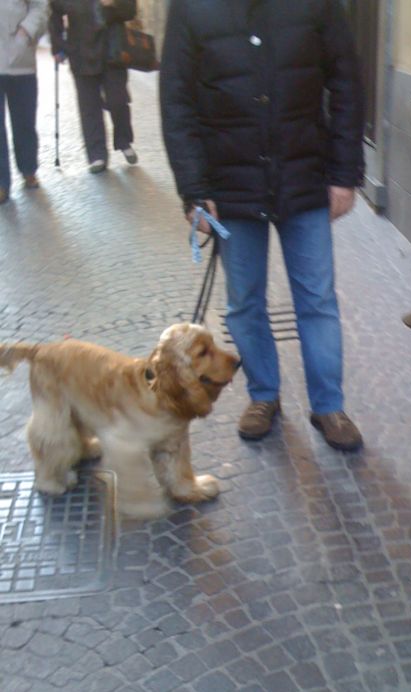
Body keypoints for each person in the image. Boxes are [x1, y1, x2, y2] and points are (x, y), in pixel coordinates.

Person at [160, 0, 366, 451]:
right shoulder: (192, 7)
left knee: (317, 299)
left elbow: (346, 82)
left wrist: (345, 173)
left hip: (305, 175)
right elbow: (177, 99)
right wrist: (194, 190)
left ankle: (328, 405)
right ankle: (263, 396)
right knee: (243, 303)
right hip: (230, 186)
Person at [49, 0, 139, 174]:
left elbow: (130, 11)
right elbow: (55, 15)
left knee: (117, 100)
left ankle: (123, 140)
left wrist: (113, 3)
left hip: (112, 51)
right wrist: (58, 47)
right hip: (80, 51)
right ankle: (97, 154)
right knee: (89, 105)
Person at [0, 0, 48, 204]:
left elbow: (41, 6)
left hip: (20, 59)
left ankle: (28, 167)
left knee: (24, 121)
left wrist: (25, 32)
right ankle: (1, 182)